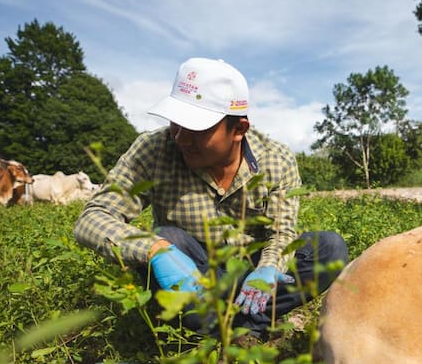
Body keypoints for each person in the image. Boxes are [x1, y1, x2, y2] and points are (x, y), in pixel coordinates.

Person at [74, 57, 349, 339]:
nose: (181, 138)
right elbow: (92, 218)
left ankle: (247, 325)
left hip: (248, 272)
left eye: (197, 129)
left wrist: (268, 268)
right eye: (176, 123)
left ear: (239, 129)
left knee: (329, 248)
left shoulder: (276, 160)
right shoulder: (153, 150)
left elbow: (281, 232)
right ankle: (212, 330)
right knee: (169, 236)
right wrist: (155, 250)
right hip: (192, 275)